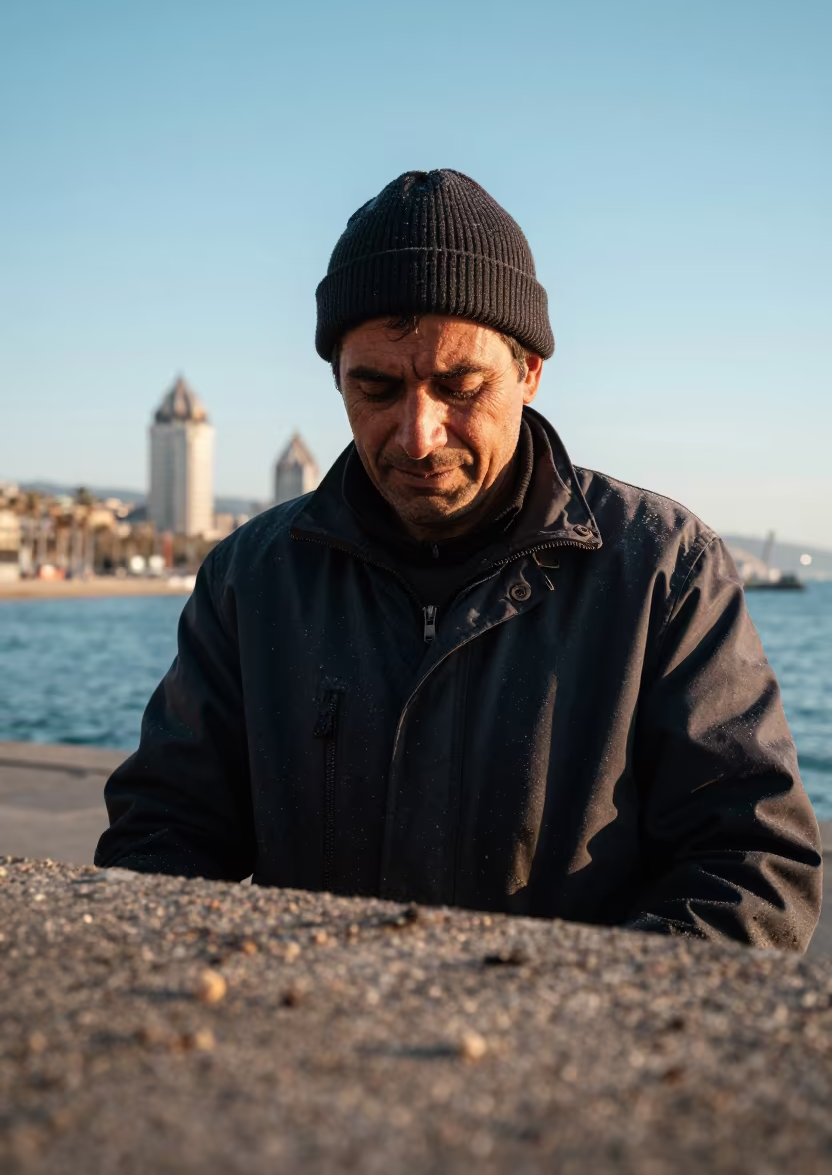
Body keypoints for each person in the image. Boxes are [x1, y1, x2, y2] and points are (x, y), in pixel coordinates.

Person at [96, 169, 822, 949]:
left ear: (530, 372)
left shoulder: (666, 571)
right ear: (336, 378)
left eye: (460, 386)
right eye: (375, 389)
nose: (418, 435)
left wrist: (564, 1022)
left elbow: (753, 866)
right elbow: (162, 836)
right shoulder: (249, 578)